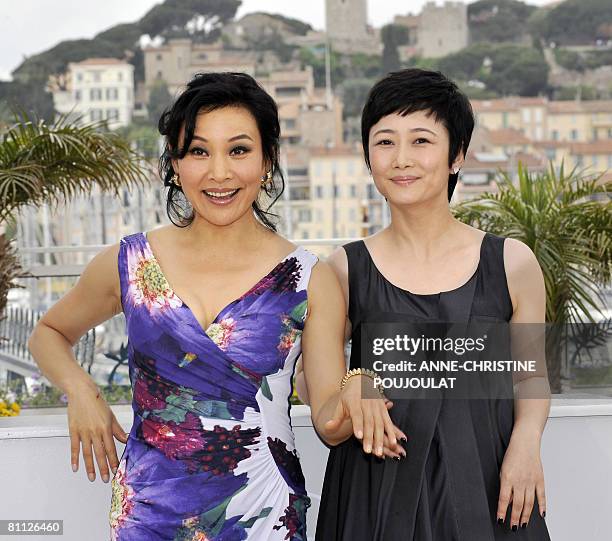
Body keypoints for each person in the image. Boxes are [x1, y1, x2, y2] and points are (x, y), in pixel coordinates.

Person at [27, 72, 404, 540]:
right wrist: (83, 392)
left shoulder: (310, 278)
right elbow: (49, 333)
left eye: (239, 150)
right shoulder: (130, 262)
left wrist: (357, 385)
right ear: (175, 163)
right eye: (199, 152)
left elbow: (329, 423)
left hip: (263, 512)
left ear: (267, 161)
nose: (219, 173)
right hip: (148, 511)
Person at [297, 68, 552, 540]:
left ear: (456, 156)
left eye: (421, 141)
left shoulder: (512, 263)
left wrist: (526, 445)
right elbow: (323, 401)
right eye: (384, 141)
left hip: (491, 488)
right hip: (374, 499)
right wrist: (355, 385)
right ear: (367, 157)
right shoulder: (341, 270)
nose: (401, 159)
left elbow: (531, 375)